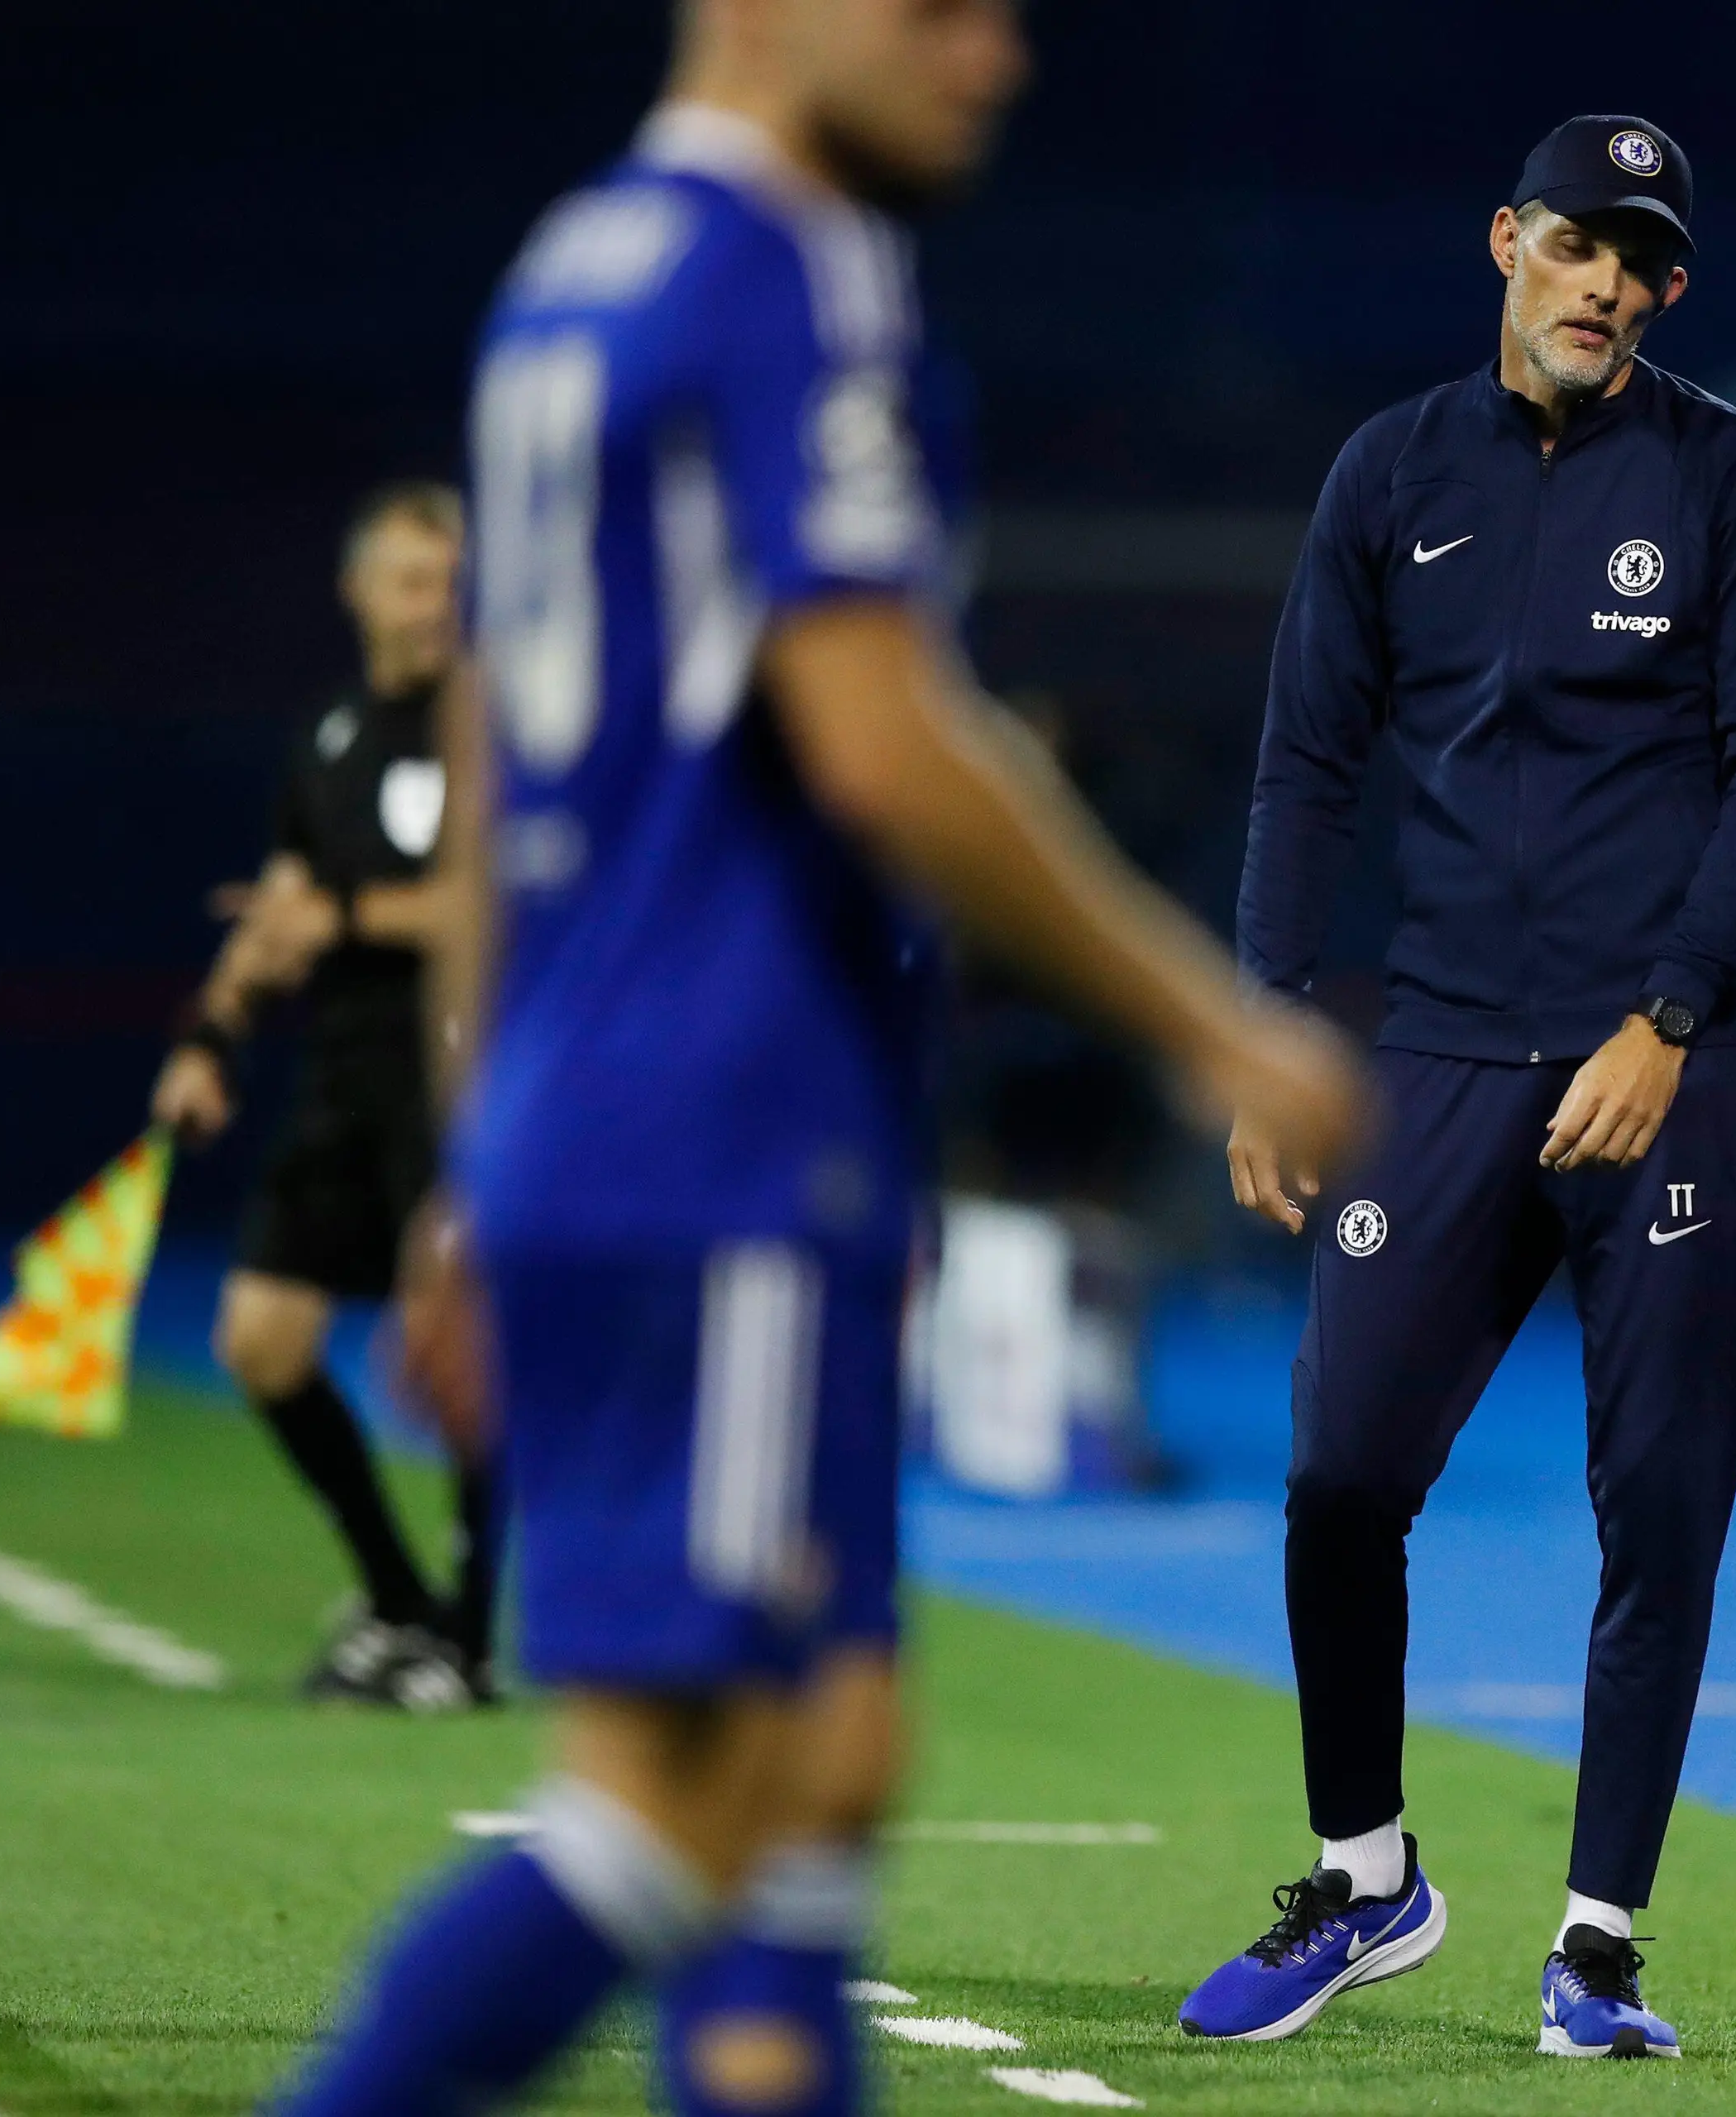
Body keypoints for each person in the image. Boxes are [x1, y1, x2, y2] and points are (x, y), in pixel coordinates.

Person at [268, 4, 1367, 2111]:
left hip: (625, 1115)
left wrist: (478, 1144)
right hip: (724, 1128)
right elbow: (877, 733)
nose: (998, 58)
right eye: (937, 10)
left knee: (828, 1752)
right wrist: (1208, 1015)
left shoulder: (573, 267)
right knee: (680, 1798)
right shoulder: (788, 268)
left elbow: (497, 750)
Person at [1184, 114, 1736, 2061]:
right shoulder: (1389, 474)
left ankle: (1595, 1947)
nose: (1604, 285)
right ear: (1505, 245)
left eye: (1640, 260)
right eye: (1575, 245)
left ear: (1669, 289)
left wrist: (1666, 1015)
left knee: (1656, 1503)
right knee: (1338, 1470)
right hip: (1442, 1052)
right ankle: (1367, 1880)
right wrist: (1265, 1022)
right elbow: (1304, 766)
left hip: (1666, 1071)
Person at [148, 482, 496, 1708]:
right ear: (358, 591)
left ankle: (474, 1634)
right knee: (261, 1338)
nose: (432, 608)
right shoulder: (334, 735)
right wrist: (213, 1038)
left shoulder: (495, 726)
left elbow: (485, 902)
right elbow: (281, 907)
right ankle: (400, 1602)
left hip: (462, 1077)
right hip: (346, 1077)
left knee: (454, 1352)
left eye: (450, 583)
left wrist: (338, 917)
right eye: (409, 581)